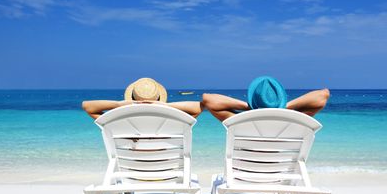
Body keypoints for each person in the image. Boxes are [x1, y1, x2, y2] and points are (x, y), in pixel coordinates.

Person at [201, 76, 330, 122]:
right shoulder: (292, 122)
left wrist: (250, 107)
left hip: (244, 174)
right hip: (279, 175)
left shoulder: (238, 121)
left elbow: (208, 99)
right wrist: (282, 108)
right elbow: (323, 95)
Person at [82, 77, 203, 119]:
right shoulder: (172, 123)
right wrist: (167, 106)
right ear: (159, 98)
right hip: (166, 173)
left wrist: (119, 105)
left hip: (130, 174)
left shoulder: (120, 124)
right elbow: (198, 108)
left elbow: (87, 106)